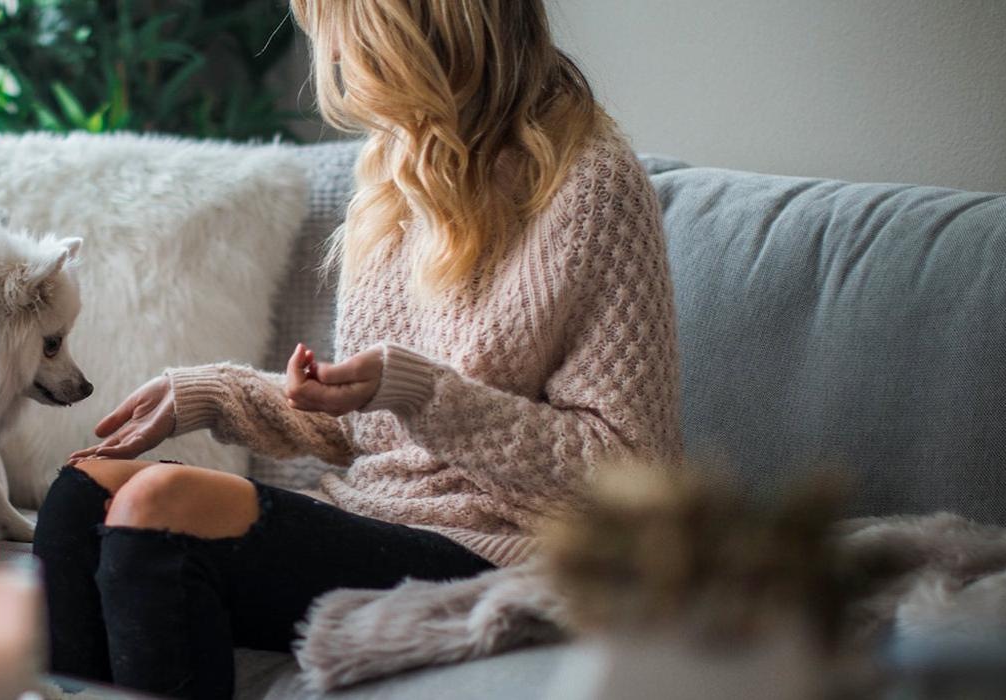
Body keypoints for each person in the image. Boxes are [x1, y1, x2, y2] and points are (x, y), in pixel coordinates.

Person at [34, 0, 682, 696]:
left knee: (161, 503)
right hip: (372, 517)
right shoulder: (395, 166)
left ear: (410, 31)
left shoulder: (591, 186)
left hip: (508, 548)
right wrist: (215, 394)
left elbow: (628, 476)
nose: (335, 61)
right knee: (81, 495)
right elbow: (365, 425)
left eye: (342, 36)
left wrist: (423, 393)